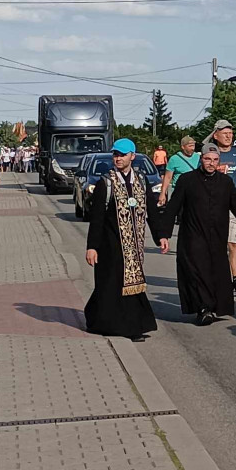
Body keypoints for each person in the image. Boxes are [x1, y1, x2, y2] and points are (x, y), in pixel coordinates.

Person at [83, 138, 169, 341]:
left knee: (131, 283)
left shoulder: (141, 180)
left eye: (122, 155)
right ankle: (118, 324)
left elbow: (151, 211)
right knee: (111, 283)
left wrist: (160, 235)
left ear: (132, 156)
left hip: (134, 246)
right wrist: (92, 247)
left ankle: (131, 325)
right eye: (115, 154)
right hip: (110, 245)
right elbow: (97, 219)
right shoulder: (106, 183)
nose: (118, 158)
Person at [158, 144, 236, 326]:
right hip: (193, 235)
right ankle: (203, 308)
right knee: (197, 271)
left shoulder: (225, 181)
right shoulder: (187, 180)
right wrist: (164, 234)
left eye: (215, 160)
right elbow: (173, 207)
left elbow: (235, 200)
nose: (211, 163)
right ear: (201, 159)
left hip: (217, 235)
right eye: (208, 159)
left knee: (215, 272)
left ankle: (213, 306)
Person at [203, 120, 236, 298]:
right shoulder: (210, 154)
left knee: (235, 243)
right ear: (216, 135)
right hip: (214, 205)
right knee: (215, 245)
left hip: (235, 205)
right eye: (225, 133)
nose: (228, 136)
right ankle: (215, 279)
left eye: (230, 133)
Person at [158, 136, 200, 206]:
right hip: (179, 192)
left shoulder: (198, 157)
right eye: (190, 146)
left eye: (193, 146)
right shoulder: (174, 159)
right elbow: (168, 177)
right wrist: (162, 193)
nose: (192, 148)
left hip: (195, 192)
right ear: (183, 147)